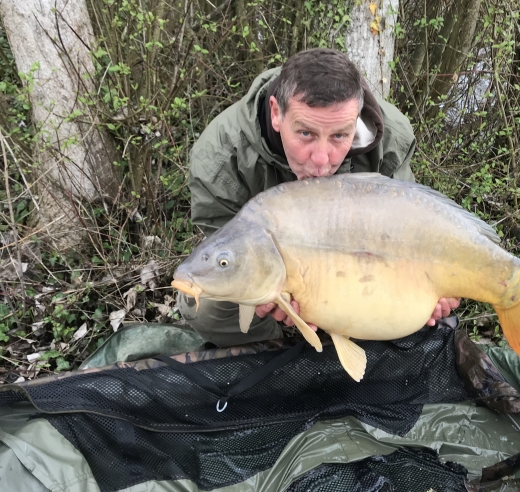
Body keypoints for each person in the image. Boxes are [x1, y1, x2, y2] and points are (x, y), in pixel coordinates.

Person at [180, 48, 459, 346]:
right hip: (276, 268)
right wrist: (270, 297)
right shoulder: (220, 160)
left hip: (358, 262)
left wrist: (431, 288)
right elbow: (229, 249)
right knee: (206, 306)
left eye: (339, 136)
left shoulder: (388, 137)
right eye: (306, 134)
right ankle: (275, 354)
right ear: (276, 113)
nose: (322, 160)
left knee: (419, 300)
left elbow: (408, 235)